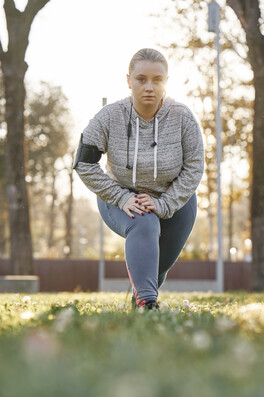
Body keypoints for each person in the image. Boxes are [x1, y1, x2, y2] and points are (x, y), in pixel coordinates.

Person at [73, 48, 204, 310]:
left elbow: (194, 167)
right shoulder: (109, 117)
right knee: (144, 224)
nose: (149, 87)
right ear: (128, 80)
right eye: (141, 79)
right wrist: (122, 198)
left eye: (157, 80)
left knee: (157, 264)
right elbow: (83, 164)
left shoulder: (183, 117)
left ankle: (141, 296)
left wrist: (165, 204)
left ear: (166, 81)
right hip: (120, 198)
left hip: (175, 199)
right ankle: (147, 303)